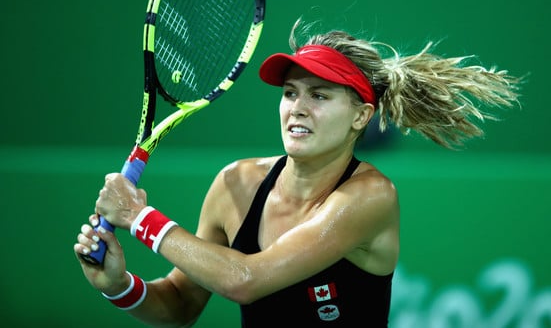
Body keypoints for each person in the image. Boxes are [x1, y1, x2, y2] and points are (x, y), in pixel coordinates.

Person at [74, 19, 522, 327]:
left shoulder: (369, 196)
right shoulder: (236, 184)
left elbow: (244, 281)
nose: (297, 108)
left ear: (360, 116)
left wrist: (139, 218)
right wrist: (119, 286)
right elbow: (181, 306)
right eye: (290, 93)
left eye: (320, 96)